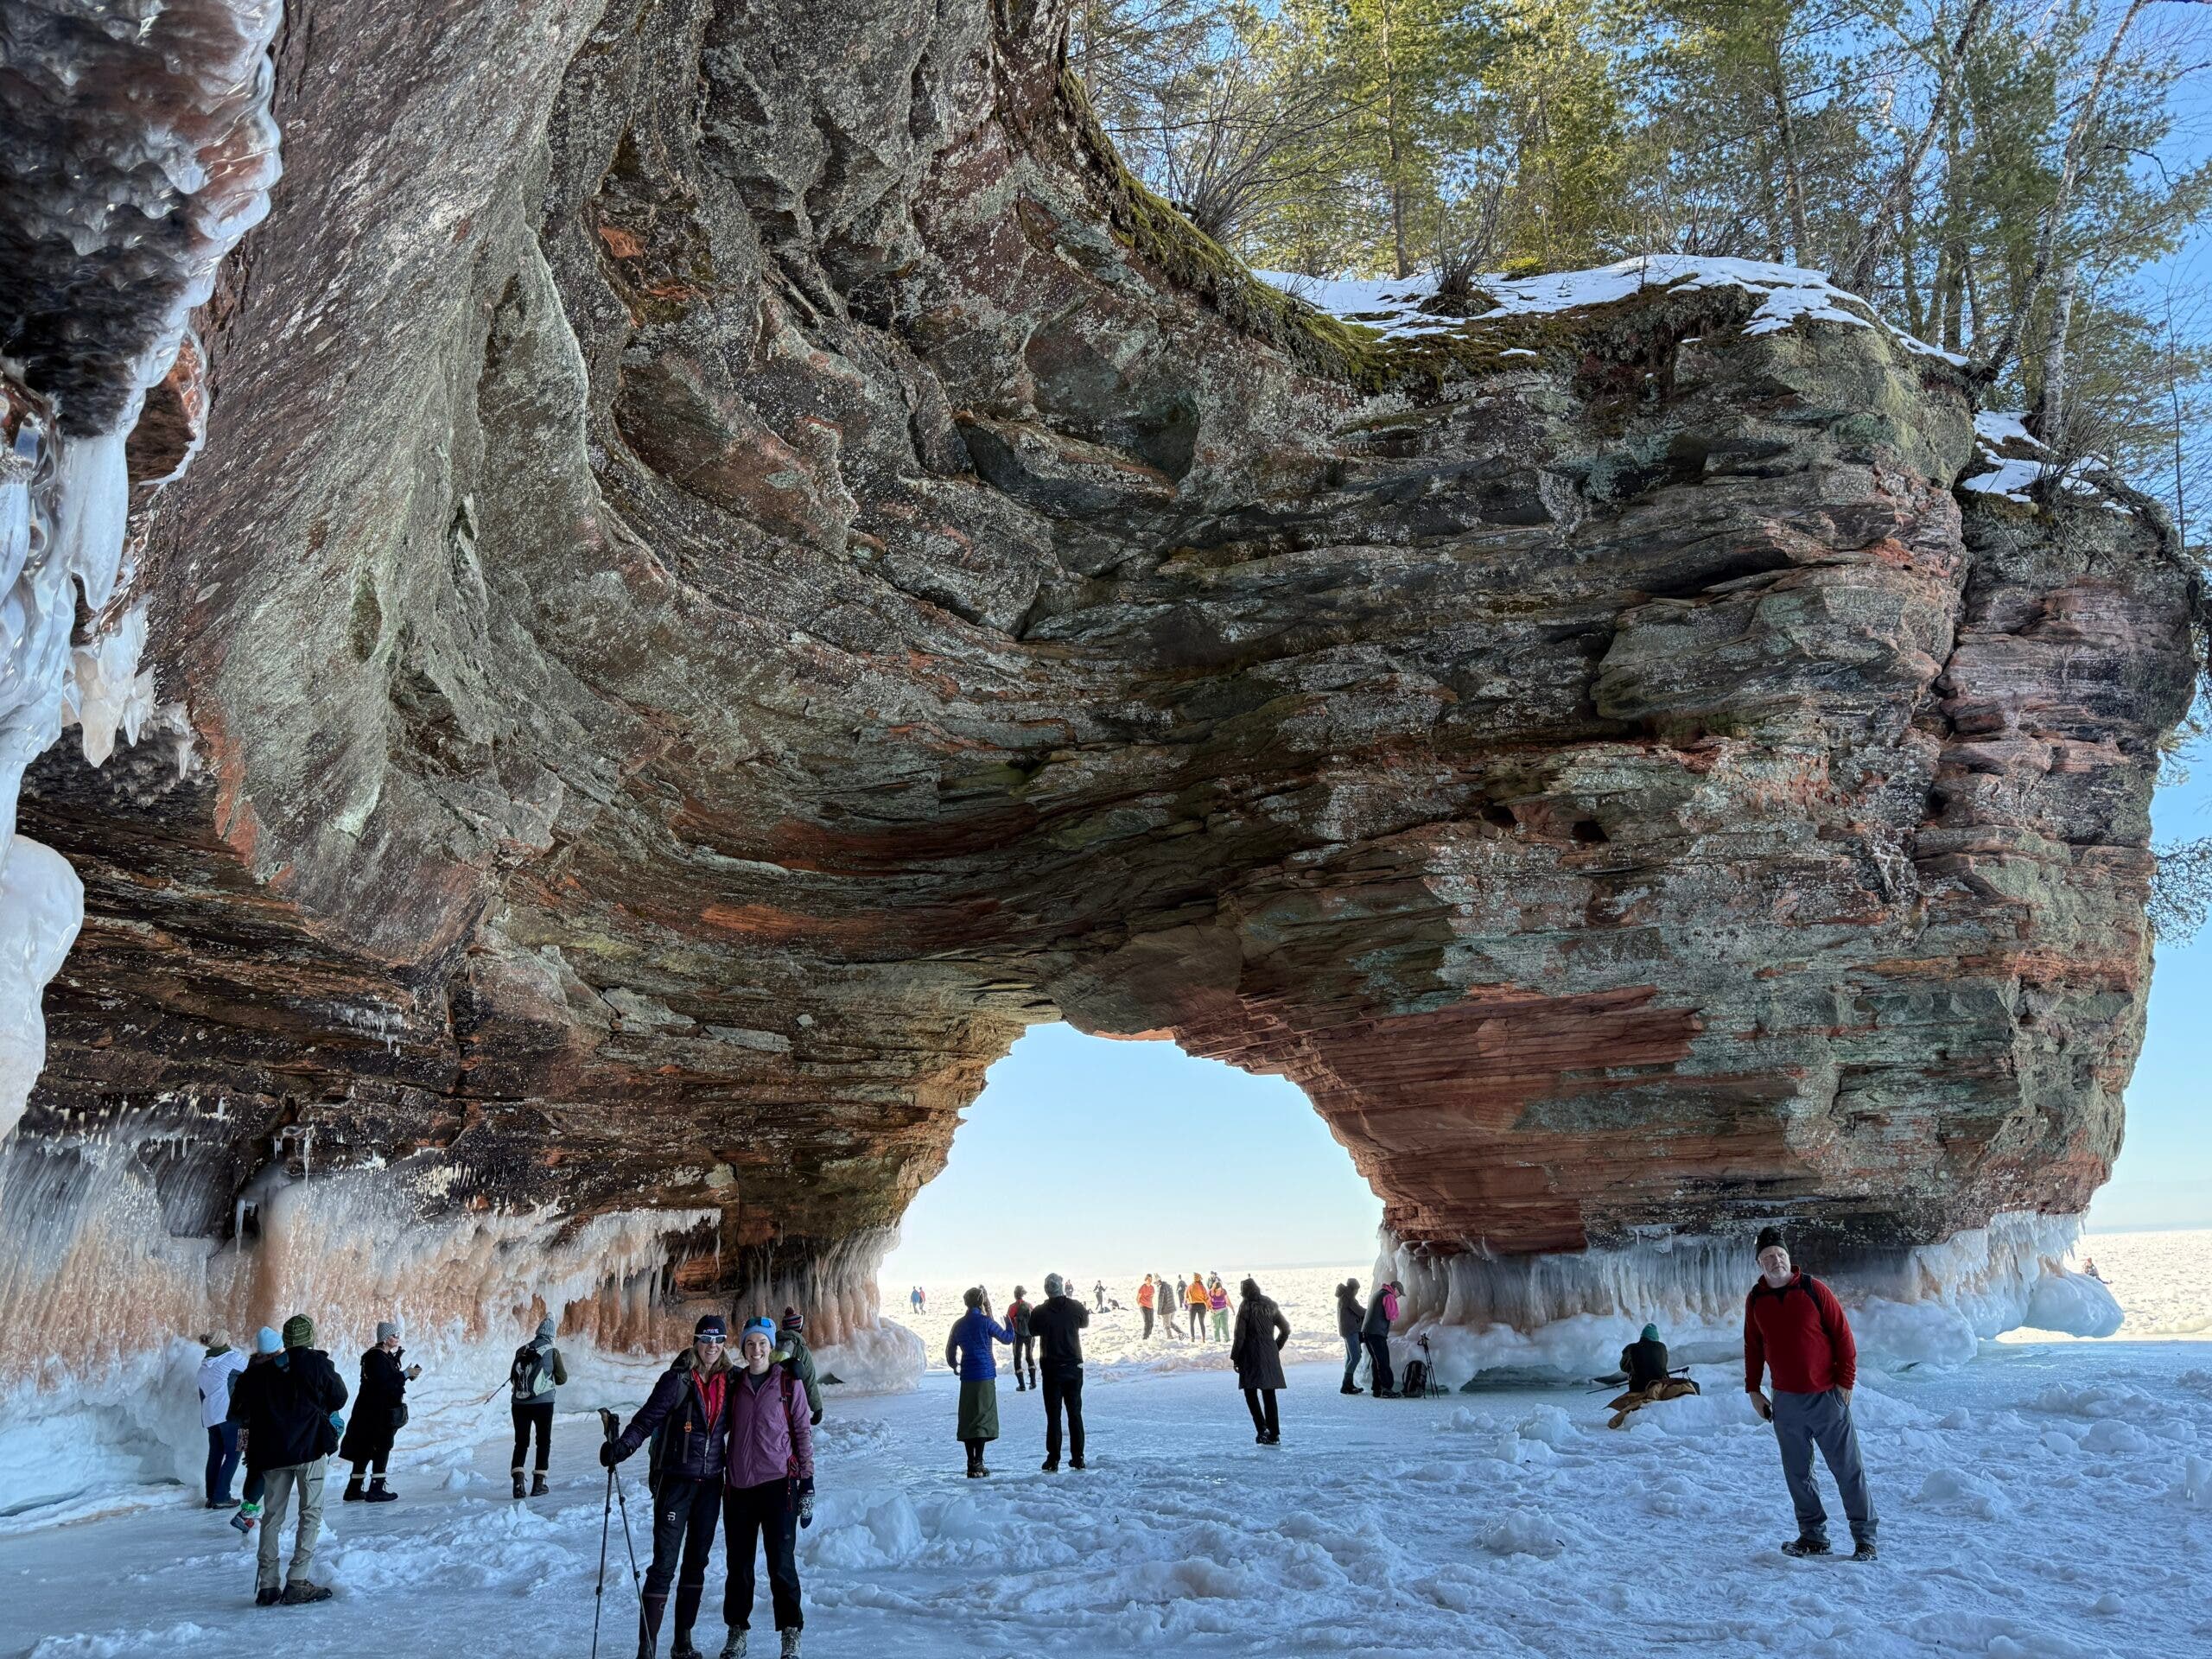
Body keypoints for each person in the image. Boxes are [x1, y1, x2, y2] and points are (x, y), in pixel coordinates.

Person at [602, 1313, 736, 1659]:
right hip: (676, 1482)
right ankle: (646, 1650)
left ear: (724, 1344)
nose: (712, 1346)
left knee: (697, 1563)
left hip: (710, 1486)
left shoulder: (731, 1380)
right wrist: (624, 1447)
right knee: (664, 1565)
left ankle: (683, 1642)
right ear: (696, 1341)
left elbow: (764, 1386)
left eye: (718, 1340)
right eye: (706, 1339)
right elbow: (648, 1419)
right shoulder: (676, 1380)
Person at [1745, 1227, 1878, 1562]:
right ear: (1759, 1263)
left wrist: (1845, 1384)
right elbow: (1753, 1346)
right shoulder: (1756, 1299)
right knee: (1798, 1474)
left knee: (1848, 1470)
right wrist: (1753, 1389)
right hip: (1786, 1401)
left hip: (1825, 1397)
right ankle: (1813, 1536)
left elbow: (1844, 1338)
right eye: (1767, 1257)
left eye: (1780, 1255)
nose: (1775, 1261)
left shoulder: (1814, 1290)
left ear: (1789, 1258)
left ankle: (1865, 1539)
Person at [227, 1313, 347, 1605]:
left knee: (272, 1517)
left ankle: (268, 1585)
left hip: (271, 1452)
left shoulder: (257, 1373)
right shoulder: (318, 1363)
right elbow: (339, 1398)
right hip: (309, 1449)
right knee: (310, 1513)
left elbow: (238, 1410)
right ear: (310, 1338)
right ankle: (297, 1580)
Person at [721, 1317, 814, 1659]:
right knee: (739, 1567)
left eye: (762, 1343)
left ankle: (791, 1633)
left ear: (771, 1347)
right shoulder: (734, 1385)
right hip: (740, 1489)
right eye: (750, 1344)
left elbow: (803, 1432)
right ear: (743, 1348)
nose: (756, 1350)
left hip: (780, 1487)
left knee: (781, 1566)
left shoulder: (788, 1382)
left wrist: (808, 1483)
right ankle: (737, 1632)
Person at [340, 1320, 418, 1503]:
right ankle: (376, 1488)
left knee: (366, 1448)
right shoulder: (376, 1357)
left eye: (398, 1335)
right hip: (377, 1413)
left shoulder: (382, 1356)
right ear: (384, 1338)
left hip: (372, 1411)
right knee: (382, 1447)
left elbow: (387, 1381)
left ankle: (354, 1489)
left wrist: (407, 1375)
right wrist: (405, 1374)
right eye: (393, 1335)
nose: (397, 1338)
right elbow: (383, 1384)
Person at [945, 1286, 1014, 1476]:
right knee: (983, 1417)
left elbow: (950, 1350)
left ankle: (970, 1463)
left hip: (968, 1376)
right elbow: (1007, 1339)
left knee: (969, 1419)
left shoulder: (958, 1325)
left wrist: (955, 1365)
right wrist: (1009, 1323)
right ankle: (979, 1462)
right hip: (985, 1375)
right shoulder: (986, 1322)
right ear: (980, 1302)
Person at [1027, 1272, 1090, 1471]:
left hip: (1052, 1370)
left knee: (1053, 1416)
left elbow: (1032, 1330)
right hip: (1074, 1367)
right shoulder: (1076, 1307)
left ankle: (1053, 1458)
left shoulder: (1039, 1312)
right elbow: (1085, 1323)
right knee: (1075, 1414)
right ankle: (1078, 1457)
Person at [510, 1313, 568, 1498]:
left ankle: (518, 1484)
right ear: (551, 1335)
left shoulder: (522, 1350)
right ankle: (539, 1484)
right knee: (543, 1441)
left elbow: (513, 1378)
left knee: (521, 1442)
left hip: (519, 1404)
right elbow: (562, 1378)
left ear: (538, 1332)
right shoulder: (552, 1351)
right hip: (543, 1403)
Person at [1606, 1323, 1699, 1428]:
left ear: (1642, 1336)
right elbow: (1662, 1367)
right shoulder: (1662, 1347)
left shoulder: (1632, 1348)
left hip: (1638, 1387)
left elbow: (1624, 1367)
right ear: (1656, 1337)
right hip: (1659, 1386)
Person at [1231, 1278, 1291, 1444]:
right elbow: (1286, 1329)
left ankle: (1262, 1429)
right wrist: (1275, 1347)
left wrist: (1236, 1357)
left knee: (1250, 1392)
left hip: (1250, 1355)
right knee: (1269, 1393)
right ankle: (1274, 1434)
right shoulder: (1270, 1305)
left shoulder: (1246, 1307)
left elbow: (1240, 1336)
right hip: (1269, 1354)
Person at [197, 1331, 248, 1509]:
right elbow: (254, 1371)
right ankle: (221, 1496)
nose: (230, 1338)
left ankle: (211, 1496)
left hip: (211, 1416)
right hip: (230, 1414)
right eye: (227, 1336)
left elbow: (202, 1394)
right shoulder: (231, 1358)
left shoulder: (204, 1366)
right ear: (223, 1341)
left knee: (216, 1454)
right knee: (236, 1452)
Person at [776, 1307, 824, 1427]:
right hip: (793, 1400)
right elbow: (809, 1379)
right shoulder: (801, 1350)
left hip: (772, 1400)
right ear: (799, 1328)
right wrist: (817, 1408)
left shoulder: (770, 1344)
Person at [1361, 1278, 1399, 1397]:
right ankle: (1386, 1389)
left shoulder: (1377, 1294)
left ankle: (1377, 1388)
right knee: (1383, 1361)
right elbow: (1392, 1315)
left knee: (1376, 1360)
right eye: (1399, 1294)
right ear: (1395, 1289)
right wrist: (1396, 1307)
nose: (1398, 1297)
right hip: (1377, 1333)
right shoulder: (1388, 1296)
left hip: (1367, 1332)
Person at [1335, 1280, 1366, 1395]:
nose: (1357, 1292)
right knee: (1356, 1357)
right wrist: (1370, 1311)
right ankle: (1346, 1385)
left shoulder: (1344, 1296)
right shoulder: (1348, 1297)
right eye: (1357, 1289)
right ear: (1354, 1288)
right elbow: (1359, 1311)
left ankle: (1349, 1384)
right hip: (1351, 1331)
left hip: (1347, 1330)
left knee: (1350, 1358)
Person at [1005, 1287, 1036, 1390]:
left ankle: (1022, 1385)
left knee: (1017, 1358)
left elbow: (1009, 1322)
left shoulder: (1012, 1307)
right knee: (1029, 1356)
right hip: (1029, 1335)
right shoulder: (1030, 1306)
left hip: (1017, 1335)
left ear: (1015, 1294)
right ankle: (1033, 1382)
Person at [1185, 1273, 1210, 1342]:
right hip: (1202, 1306)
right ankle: (1203, 1339)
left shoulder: (1189, 1287)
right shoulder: (1202, 1287)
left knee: (1191, 1323)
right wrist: (1208, 1306)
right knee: (1202, 1323)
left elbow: (1186, 1297)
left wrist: (1188, 1303)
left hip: (1192, 1306)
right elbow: (1206, 1297)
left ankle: (1192, 1338)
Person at [1159, 1272, 1184, 1339]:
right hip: (1172, 1308)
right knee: (1170, 1323)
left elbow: (1160, 1301)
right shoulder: (1169, 1286)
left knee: (1167, 1326)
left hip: (1166, 1310)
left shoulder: (1162, 1288)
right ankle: (1181, 1333)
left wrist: (1159, 1312)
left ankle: (1170, 1338)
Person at [1208, 1274, 1230, 1342]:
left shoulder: (1223, 1290)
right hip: (1214, 1311)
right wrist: (1211, 1309)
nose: (1219, 1290)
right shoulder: (1210, 1291)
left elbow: (1227, 1300)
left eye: (1220, 1288)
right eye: (1218, 1289)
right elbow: (1208, 1302)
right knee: (1216, 1327)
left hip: (1223, 1309)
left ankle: (1226, 1339)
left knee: (1224, 1326)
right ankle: (1217, 1340)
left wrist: (1231, 1307)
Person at [1137, 1274, 1156, 1339]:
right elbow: (1138, 1298)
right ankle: (1144, 1337)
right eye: (1148, 1279)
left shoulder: (1152, 1288)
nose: (1150, 1280)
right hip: (1143, 1306)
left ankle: (1148, 1336)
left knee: (1151, 1323)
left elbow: (1151, 1297)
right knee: (1147, 1322)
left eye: (1151, 1279)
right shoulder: (1142, 1287)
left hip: (1150, 1307)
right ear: (1146, 1280)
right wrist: (1140, 1305)